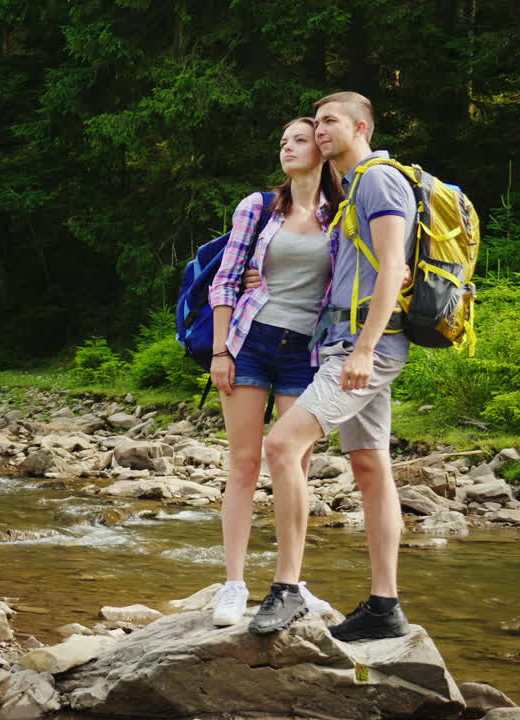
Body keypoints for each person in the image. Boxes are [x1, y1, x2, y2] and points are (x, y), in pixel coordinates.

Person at [246, 91, 416, 641]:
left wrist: (365, 349)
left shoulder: (378, 179)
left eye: (330, 122)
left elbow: (393, 264)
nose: (320, 130)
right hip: (351, 342)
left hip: (364, 348)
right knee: (370, 467)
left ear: (361, 125)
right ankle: (385, 607)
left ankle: (287, 589)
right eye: (315, 122)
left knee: (280, 446)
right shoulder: (351, 192)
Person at [205, 117, 344, 627]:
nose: (287, 147)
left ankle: (290, 582)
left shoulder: (343, 213)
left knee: (294, 465)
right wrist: (221, 352)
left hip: (307, 351)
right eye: (282, 140)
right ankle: (233, 584)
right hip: (250, 342)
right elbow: (224, 280)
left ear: (323, 149)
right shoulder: (260, 207)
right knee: (243, 462)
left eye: (299, 140)